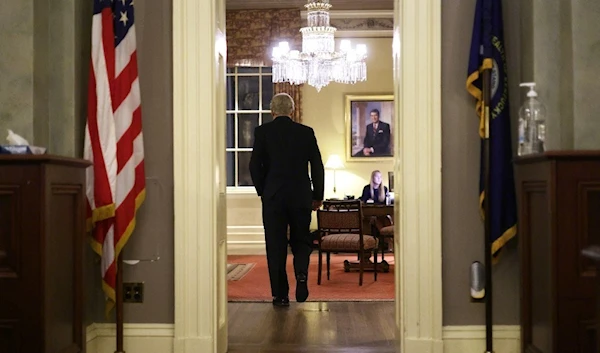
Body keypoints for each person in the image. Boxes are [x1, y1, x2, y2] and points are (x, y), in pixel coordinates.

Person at [249, 93, 325, 307]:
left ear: (272, 111)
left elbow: (255, 166)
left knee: (275, 245)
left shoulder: (262, 132)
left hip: (273, 197)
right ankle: (301, 275)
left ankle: (280, 295)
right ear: (292, 110)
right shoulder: (306, 133)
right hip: (301, 196)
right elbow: (317, 166)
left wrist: (263, 191)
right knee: (301, 240)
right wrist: (317, 195)